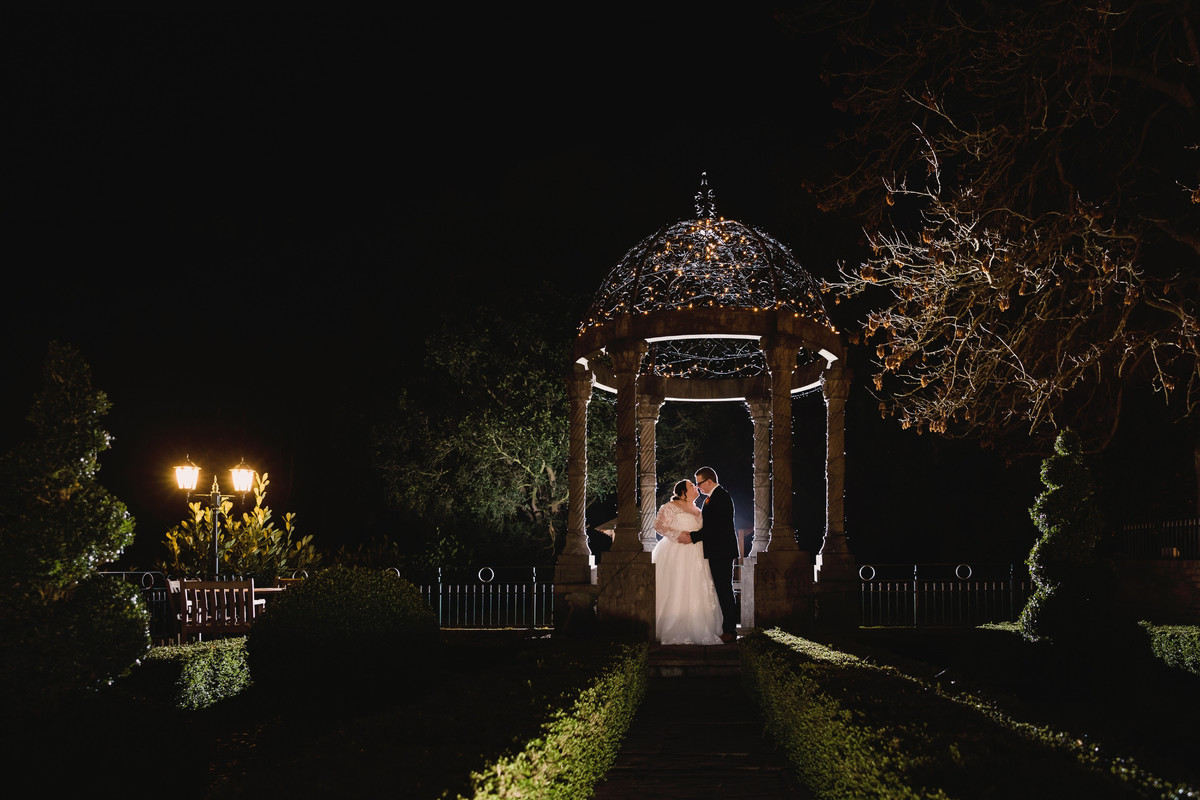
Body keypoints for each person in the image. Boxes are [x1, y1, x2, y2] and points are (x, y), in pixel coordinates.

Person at [652, 479, 723, 645]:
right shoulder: (670, 507)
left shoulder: (699, 510)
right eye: (692, 485)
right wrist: (677, 535)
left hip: (696, 553)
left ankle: (698, 627)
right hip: (675, 551)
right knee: (677, 586)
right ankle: (672, 627)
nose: (696, 487)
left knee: (696, 587)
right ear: (683, 492)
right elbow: (659, 526)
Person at [692, 466, 739, 642]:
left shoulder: (722, 497)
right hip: (717, 551)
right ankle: (725, 627)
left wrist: (693, 536)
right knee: (721, 589)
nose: (698, 487)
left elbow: (717, 527)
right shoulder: (711, 499)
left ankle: (730, 630)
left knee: (725, 589)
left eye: (699, 483)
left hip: (722, 551)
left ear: (709, 481)